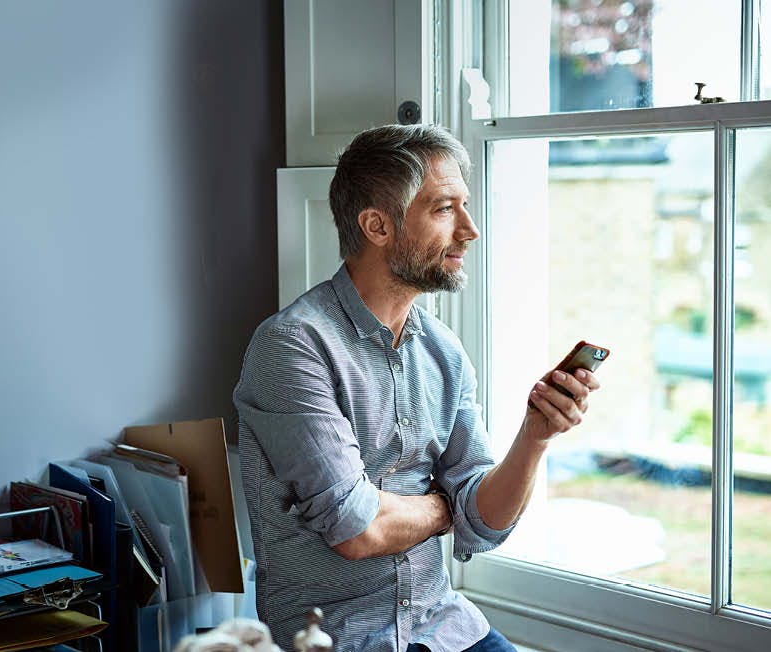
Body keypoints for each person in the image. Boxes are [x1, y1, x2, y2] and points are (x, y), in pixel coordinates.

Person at [233, 123, 601, 652]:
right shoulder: (292, 346)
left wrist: (534, 437)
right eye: (444, 208)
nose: (470, 230)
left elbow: (485, 525)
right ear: (378, 226)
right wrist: (449, 505)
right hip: (338, 639)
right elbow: (358, 531)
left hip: (445, 626)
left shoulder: (443, 351)